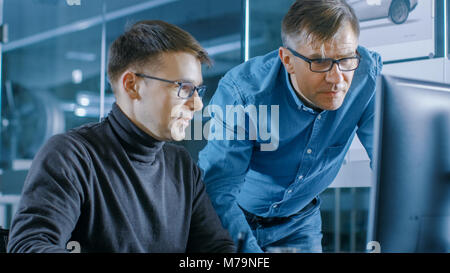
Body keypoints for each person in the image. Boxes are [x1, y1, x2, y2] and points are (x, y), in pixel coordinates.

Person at [7, 20, 236, 253]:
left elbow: (217, 249)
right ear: (132, 85)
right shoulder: (71, 156)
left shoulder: (181, 166)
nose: (197, 104)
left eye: (198, 90)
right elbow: (29, 246)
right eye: (184, 88)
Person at [198, 0, 382, 253]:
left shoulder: (365, 77)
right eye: (319, 62)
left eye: (345, 59)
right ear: (287, 60)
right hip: (236, 219)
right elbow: (218, 189)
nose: (337, 78)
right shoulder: (244, 93)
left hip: (300, 222)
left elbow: (390, 165)